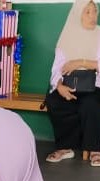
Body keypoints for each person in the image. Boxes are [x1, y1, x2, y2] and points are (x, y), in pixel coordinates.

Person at [45, 0, 100, 166]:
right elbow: (57, 69)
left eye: (94, 11)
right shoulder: (67, 37)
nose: (93, 16)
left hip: (95, 86)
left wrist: (81, 62)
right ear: (77, 15)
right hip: (70, 85)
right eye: (87, 12)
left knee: (90, 104)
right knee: (55, 101)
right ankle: (65, 148)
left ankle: (96, 149)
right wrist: (59, 86)